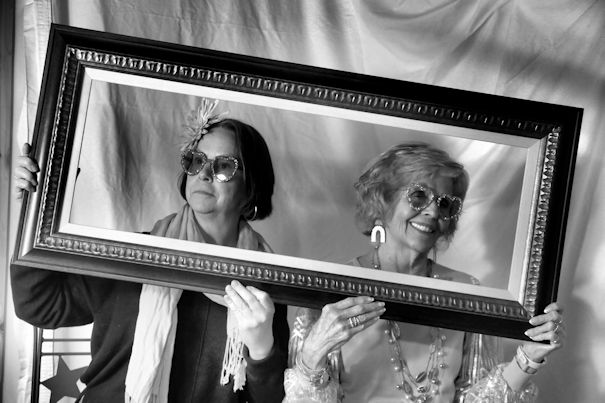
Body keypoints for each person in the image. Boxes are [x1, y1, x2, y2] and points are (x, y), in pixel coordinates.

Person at [12, 99, 289, 403]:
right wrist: (36, 208)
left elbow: (271, 399)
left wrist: (261, 349)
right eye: (196, 160)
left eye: (224, 166)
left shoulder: (265, 283)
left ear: (251, 188)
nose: (204, 173)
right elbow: (38, 305)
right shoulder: (134, 255)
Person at [283, 143, 565, 403]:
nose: (433, 212)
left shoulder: (467, 292)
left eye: (444, 203)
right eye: (419, 196)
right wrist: (312, 355)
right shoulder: (330, 289)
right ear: (383, 201)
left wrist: (527, 359)